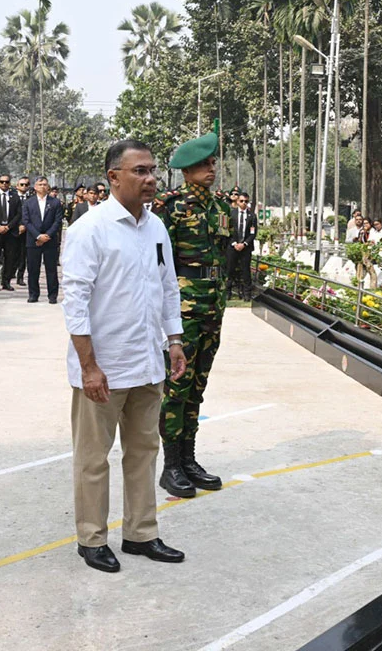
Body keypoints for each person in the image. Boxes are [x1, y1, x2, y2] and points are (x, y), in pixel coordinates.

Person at [61, 139, 189, 574]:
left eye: (153, 170)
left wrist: (174, 340)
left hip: (148, 361)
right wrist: (89, 366)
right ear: (113, 176)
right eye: (140, 171)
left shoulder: (156, 228)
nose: (150, 178)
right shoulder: (90, 229)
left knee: (143, 452)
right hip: (104, 367)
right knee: (93, 458)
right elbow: (74, 301)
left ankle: (141, 533)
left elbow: (167, 286)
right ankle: (91, 538)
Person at [154, 122, 231, 498]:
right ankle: (170, 466)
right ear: (187, 171)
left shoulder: (220, 206)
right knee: (178, 385)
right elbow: (159, 263)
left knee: (198, 385)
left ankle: (189, 458)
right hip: (183, 307)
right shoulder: (171, 206)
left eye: (213, 162)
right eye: (203, 164)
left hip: (212, 306)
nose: (211, 169)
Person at [22, 176, 63, 303]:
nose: (42, 186)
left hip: (49, 241)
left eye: (45, 184)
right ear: (35, 187)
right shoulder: (28, 203)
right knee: (33, 269)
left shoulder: (55, 202)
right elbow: (26, 221)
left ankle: (52, 295)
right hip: (33, 240)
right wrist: (38, 236)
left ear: (48, 187)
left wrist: (46, 236)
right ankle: (33, 294)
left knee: (51, 269)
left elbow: (57, 222)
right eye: (40, 184)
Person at [225, 192, 256, 300]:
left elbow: (253, 233)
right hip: (232, 247)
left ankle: (247, 294)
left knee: (246, 271)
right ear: (237, 201)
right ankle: (227, 292)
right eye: (241, 201)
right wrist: (234, 244)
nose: (244, 203)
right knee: (230, 270)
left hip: (245, 248)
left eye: (246, 201)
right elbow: (227, 231)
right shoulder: (230, 214)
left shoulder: (252, 216)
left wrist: (244, 244)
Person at [14, 175, 31, 285]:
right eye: (22, 184)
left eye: (26, 185)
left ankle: (20, 276)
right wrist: (17, 226)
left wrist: (24, 225)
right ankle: (7, 275)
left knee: (23, 255)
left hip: (27, 230)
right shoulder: (12, 197)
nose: (24, 187)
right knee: (11, 254)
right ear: (17, 186)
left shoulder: (31, 199)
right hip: (13, 229)